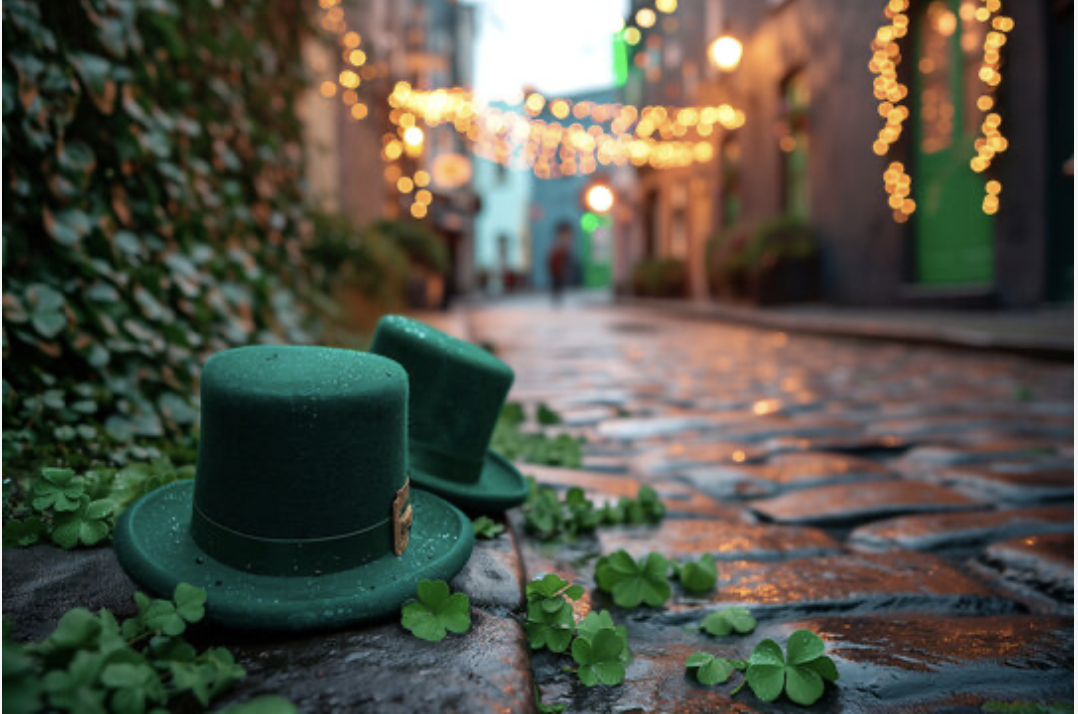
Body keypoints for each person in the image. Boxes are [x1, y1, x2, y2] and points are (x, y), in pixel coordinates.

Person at [547, 222, 572, 305]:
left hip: (559, 271)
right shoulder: (556, 251)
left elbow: (566, 260)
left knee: (558, 285)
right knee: (556, 285)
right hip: (556, 271)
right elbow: (551, 261)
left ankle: (557, 298)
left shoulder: (561, 250)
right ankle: (556, 298)